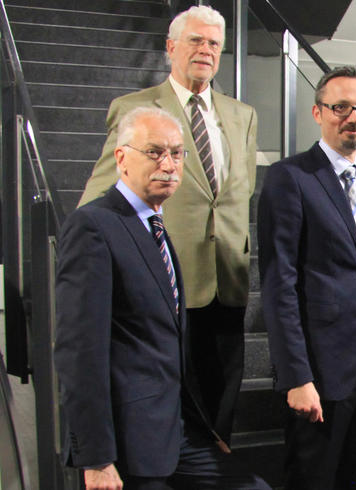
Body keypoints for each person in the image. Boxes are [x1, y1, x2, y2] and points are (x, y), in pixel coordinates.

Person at [55, 107, 269, 490]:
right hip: (125, 444)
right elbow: (79, 353)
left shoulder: (156, 226)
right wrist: (96, 458)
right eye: (154, 152)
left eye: (177, 153)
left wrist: (204, 430)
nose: (168, 164)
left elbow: (167, 350)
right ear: (121, 158)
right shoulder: (93, 226)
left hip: (177, 432)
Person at [78, 5, 257, 442]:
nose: (206, 50)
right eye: (195, 40)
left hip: (227, 282)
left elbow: (237, 196)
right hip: (165, 284)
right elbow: (99, 198)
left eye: (215, 43)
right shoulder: (135, 108)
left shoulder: (242, 115)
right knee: (172, 418)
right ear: (171, 47)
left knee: (222, 412)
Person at [257, 66, 356, 489]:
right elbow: (279, 284)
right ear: (318, 113)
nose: (353, 117)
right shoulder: (291, 177)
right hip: (319, 369)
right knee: (314, 478)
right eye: (341, 107)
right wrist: (296, 376)